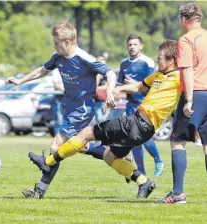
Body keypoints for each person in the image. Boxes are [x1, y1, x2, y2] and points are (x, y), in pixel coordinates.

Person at [28, 39, 180, 199]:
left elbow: (195, 80)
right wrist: (117, 89)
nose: (157, 61)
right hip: (141, 129)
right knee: (109, 157)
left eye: (160, 59)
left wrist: (190, 104)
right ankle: (144, 182)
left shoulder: (179, 77)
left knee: (86, 133)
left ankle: (48, 161)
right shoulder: (158, 75)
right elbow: (137, 86)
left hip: (136, 124)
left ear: (171, 60)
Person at [6, 20, 117, 198]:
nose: (55, 45)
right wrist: (20, 81)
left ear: (68, 42)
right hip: (69, 106)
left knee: (55, 145)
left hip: (82, 108)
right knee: (83, 145)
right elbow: (42, 71)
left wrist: (110, 93)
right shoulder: (58, 56)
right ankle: (121, 158)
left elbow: (110, 73)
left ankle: (41, 184)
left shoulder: (84, 58)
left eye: (57, 43)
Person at [159, 3, 207, 204]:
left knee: (177, 141)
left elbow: (186, 70)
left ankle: (178, 193)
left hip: (195, 93)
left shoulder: (187, 39)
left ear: (184, 19)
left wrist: (188, 101)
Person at [116, 34, 165, 176]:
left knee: (141, 136)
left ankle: (158, 160)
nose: (132, 47)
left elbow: (153, 86)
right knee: (134, 137)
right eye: (130, 45)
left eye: (135, 44)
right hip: (130, 105)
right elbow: (120, 85)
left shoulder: (147, 63)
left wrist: (135, 85)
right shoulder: (124, 63)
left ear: (141, 46)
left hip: (145, 104)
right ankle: (141, 170)